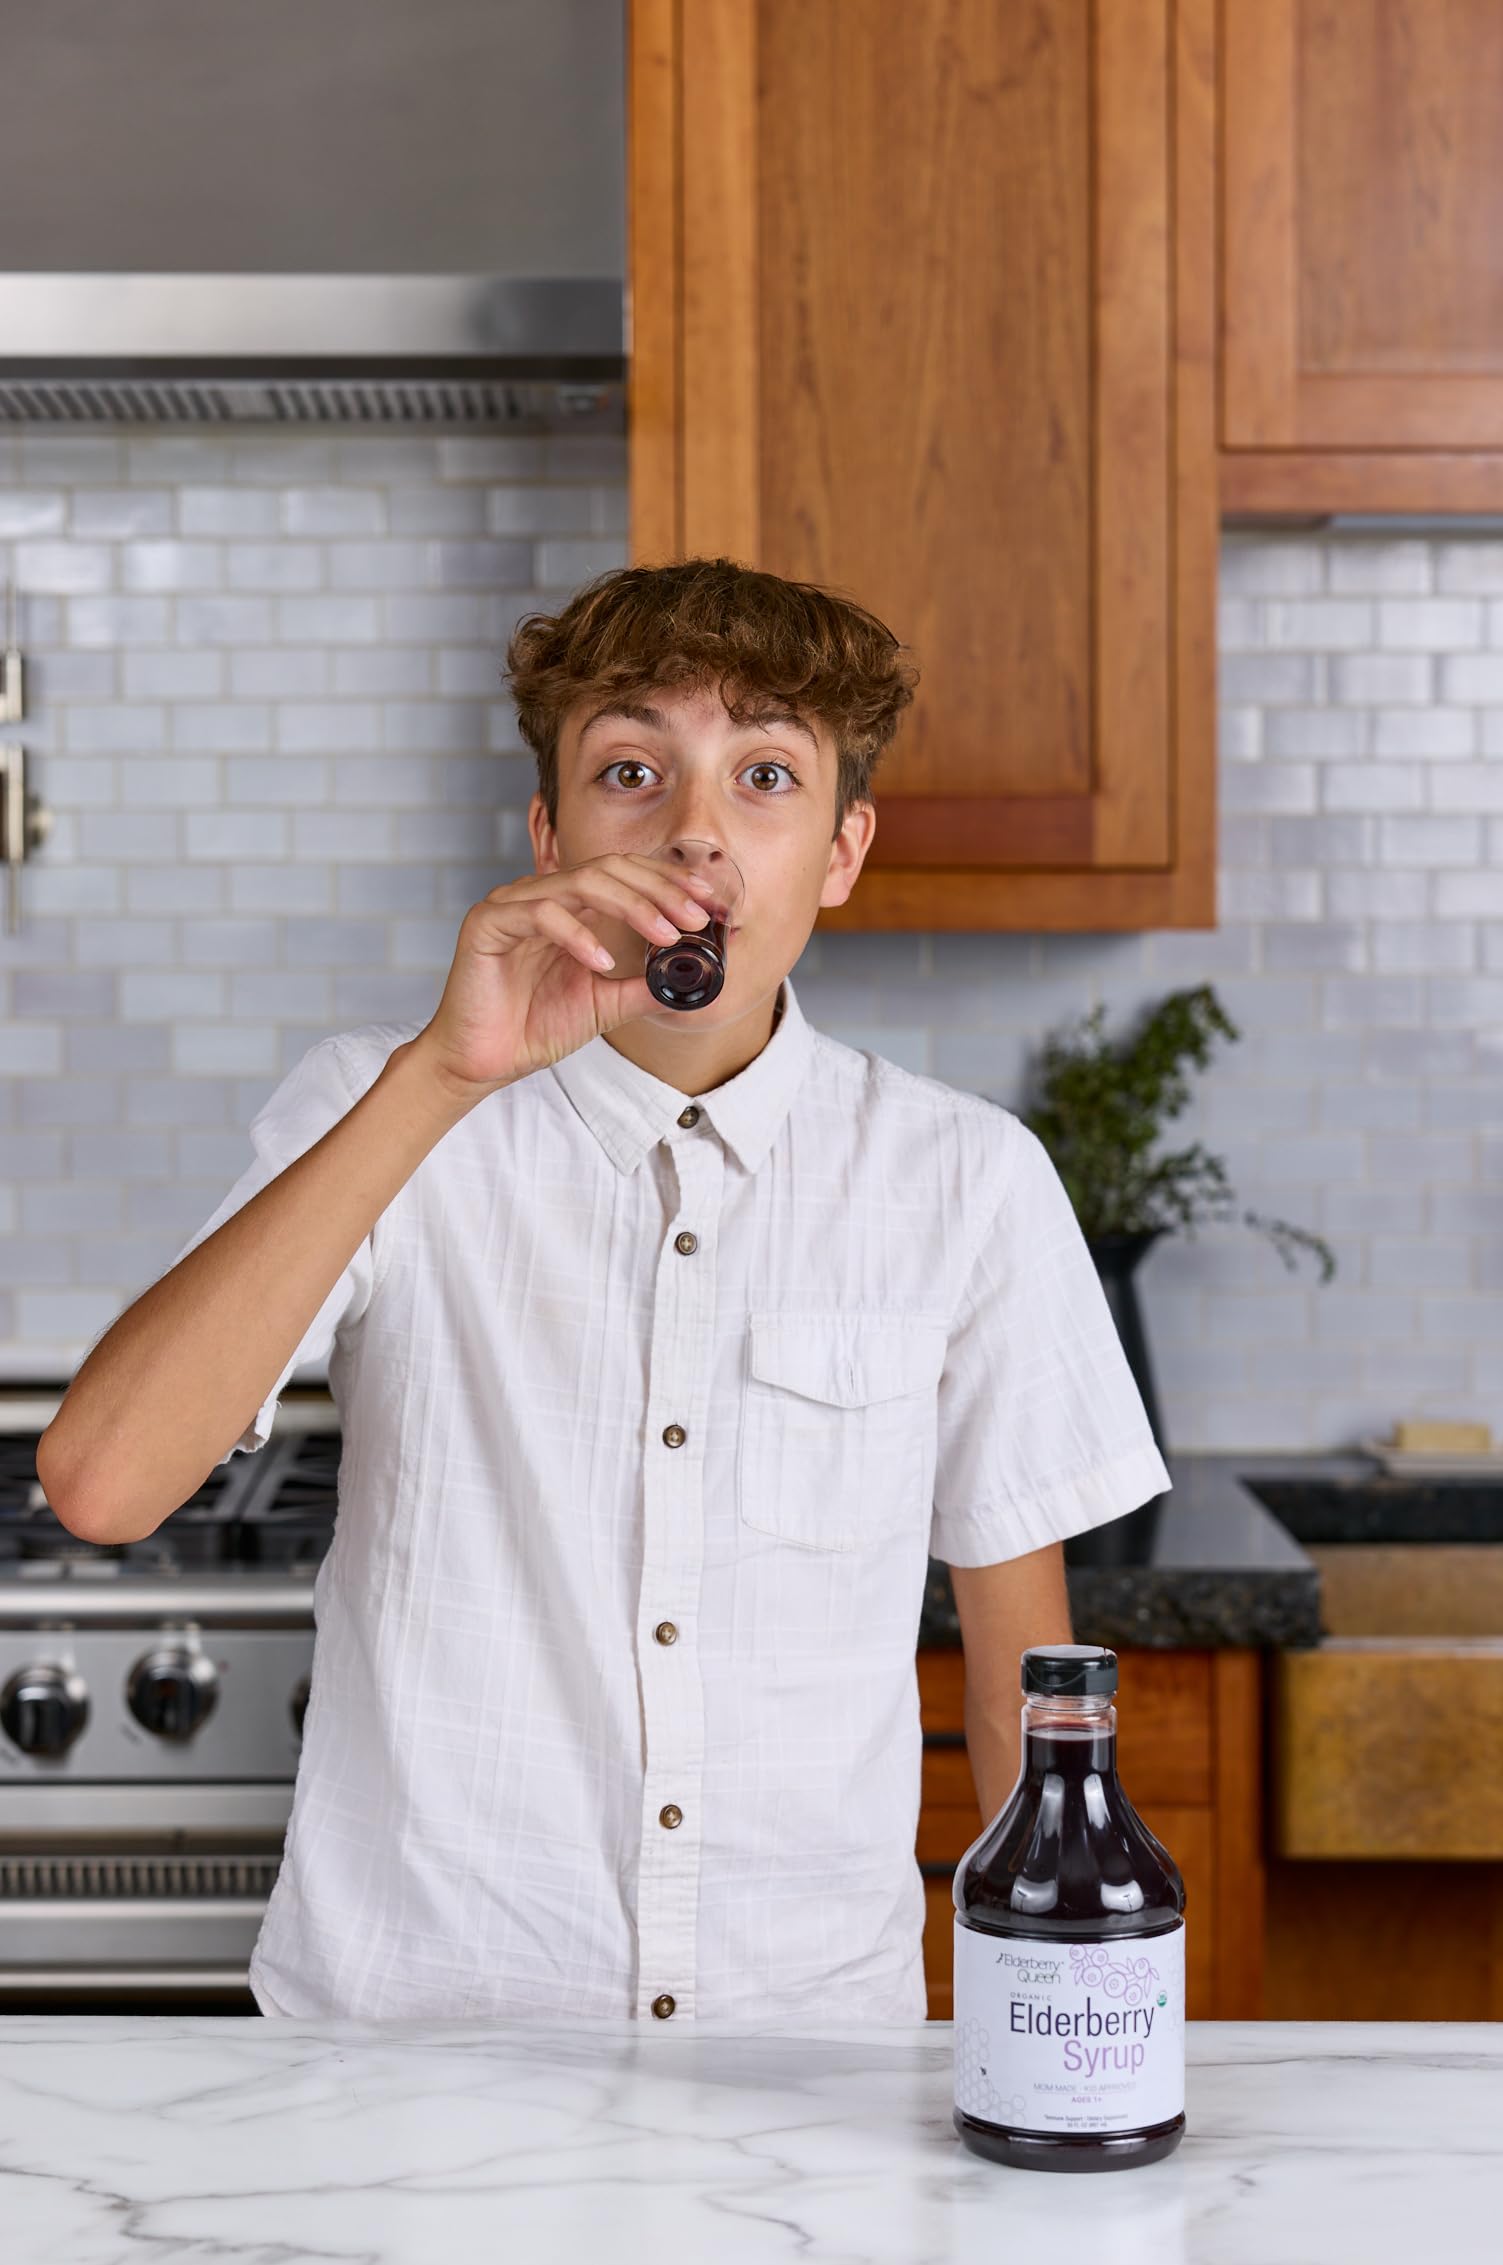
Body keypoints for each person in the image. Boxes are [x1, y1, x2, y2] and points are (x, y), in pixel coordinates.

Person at [38, 557, 1170, 2023]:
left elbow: (1026, 1687)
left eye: (765, 775)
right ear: (550, 831)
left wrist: (1048, 2040)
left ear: (842, 849)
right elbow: (102, 1481)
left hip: (806, 2082)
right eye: (632, 770)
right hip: (411, 2077)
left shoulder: (969, 1180)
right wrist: (442, 1075)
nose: (695, 831)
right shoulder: (379, 1109)